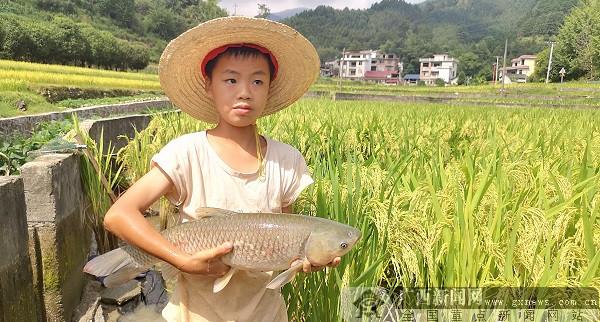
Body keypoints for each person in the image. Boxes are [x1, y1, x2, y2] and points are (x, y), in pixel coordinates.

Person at [102, 16, 341, 322]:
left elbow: (286, 231)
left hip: (265, 314)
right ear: (209, 86)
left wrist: (306, 259)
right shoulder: (186, 153)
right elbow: (118, 215)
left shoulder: (288, 160)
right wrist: (181, 260)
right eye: (231, 80)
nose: (245, 91)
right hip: (194, 313)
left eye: (257, 81)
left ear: (269, 89)